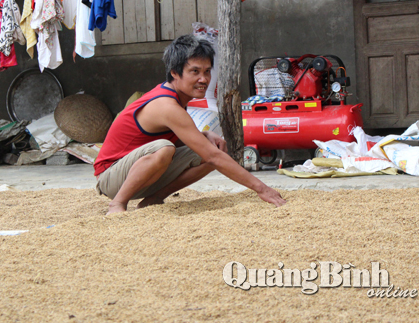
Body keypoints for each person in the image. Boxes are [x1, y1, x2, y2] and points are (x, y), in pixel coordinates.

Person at [94, 34, 287, 215]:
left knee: (212, 147)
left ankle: (154, 198)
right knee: (167, 149)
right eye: (194, 72)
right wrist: (262, 189)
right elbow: (210, 156)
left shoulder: (177, 98)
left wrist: (204, 135)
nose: (203, 79)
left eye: (207, 72)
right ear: (174, 73)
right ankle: (117, 204)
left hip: (136, 173)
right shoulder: (167, 105)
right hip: (111, 177)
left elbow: (199, 147)